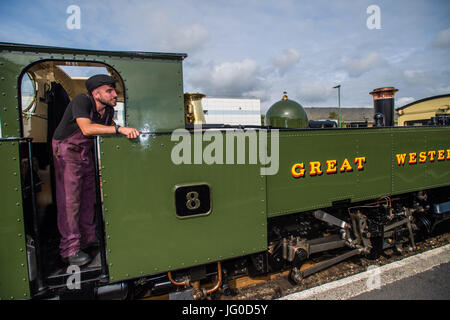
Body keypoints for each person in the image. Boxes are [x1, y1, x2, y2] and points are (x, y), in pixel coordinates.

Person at [52, 74, 140, 266]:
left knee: (88, 195)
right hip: (67, 150)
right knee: (70, 200)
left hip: (86, 152)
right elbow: (87, 129)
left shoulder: (108, 111)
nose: (114, 94)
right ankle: (70, 250)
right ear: (96, 93)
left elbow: (109, 129)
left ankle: (88, 239)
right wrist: (120, 130)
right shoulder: (82, 101)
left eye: (114, 90)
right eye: (109, 91)